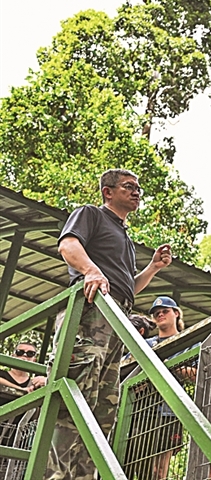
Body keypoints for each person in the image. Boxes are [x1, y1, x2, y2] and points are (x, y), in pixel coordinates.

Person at [49, 168, 172, 480]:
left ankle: (84, 477)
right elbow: (68, 246)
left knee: (103, 411)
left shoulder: (125, 238)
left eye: (138, 188)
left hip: (117, 320)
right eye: (129, 187)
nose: (136, 193)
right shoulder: (91, 214)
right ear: (108, 192)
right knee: (74, 401)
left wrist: (153, 268)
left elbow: (126, 285)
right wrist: (90, 270)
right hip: (90, 313)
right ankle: (54, 476)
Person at [139, 296, 196, 480]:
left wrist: (170, 366)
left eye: (165, 311)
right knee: (140, 467)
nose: (160, 315)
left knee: (159, 470)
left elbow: (197, 375)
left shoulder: (187, 343)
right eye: (157, 313)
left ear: (176, 313)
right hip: (143, 412)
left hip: (170, 412)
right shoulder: (146, 344)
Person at [0, 342, 46, 446]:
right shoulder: (2, 375)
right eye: (20, 352)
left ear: (34, 359)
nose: (24, 356)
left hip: (20, 439)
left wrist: (45, 380)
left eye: (30, 353)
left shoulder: (35, 384)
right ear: (13, 355)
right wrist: (21, 390)